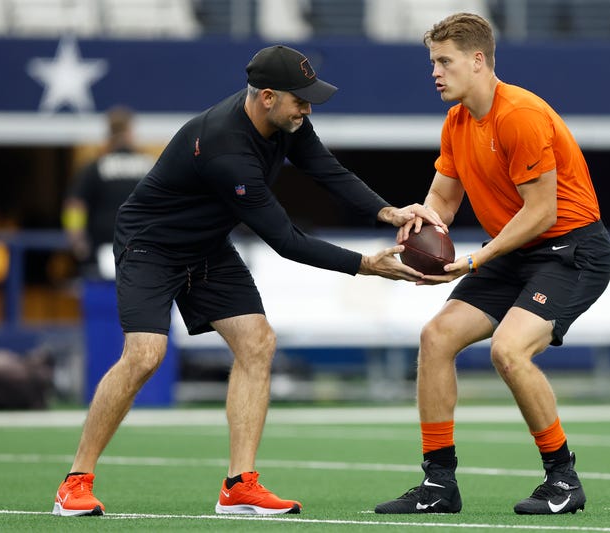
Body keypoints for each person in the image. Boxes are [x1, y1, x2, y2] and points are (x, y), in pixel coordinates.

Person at [51, 44, 443, 517]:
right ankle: (75, 482)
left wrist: (389, 211)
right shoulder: (225, 148)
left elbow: (327, 170)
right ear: (267, 97)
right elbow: (286, 240)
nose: (308, 107)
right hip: (150, 246)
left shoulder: (287, 119)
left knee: (257, 342)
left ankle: (239, 485)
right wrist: (366, 264)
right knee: (144, 355)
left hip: (207, 247)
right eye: (300, 99)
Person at [374, 13, 610, 516]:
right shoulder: (457, 120)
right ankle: (439, 484)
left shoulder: (519, 114)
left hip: (571, 250)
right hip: (516, 251)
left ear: (478, 60)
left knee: (509, 351)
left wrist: (474, 259)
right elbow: (443, 196)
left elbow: (542, 212)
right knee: (436, 337)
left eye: (445, 61)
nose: (435, 72)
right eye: (432, 62)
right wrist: (422, 226)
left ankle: (563, 479)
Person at [62, 106, 155, 278]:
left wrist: (77, 240)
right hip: (142, 252)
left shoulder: (94, 168)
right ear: (130, 132)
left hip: (101, 250)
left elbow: (74, 206)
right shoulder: (149, 167)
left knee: (104, 300)